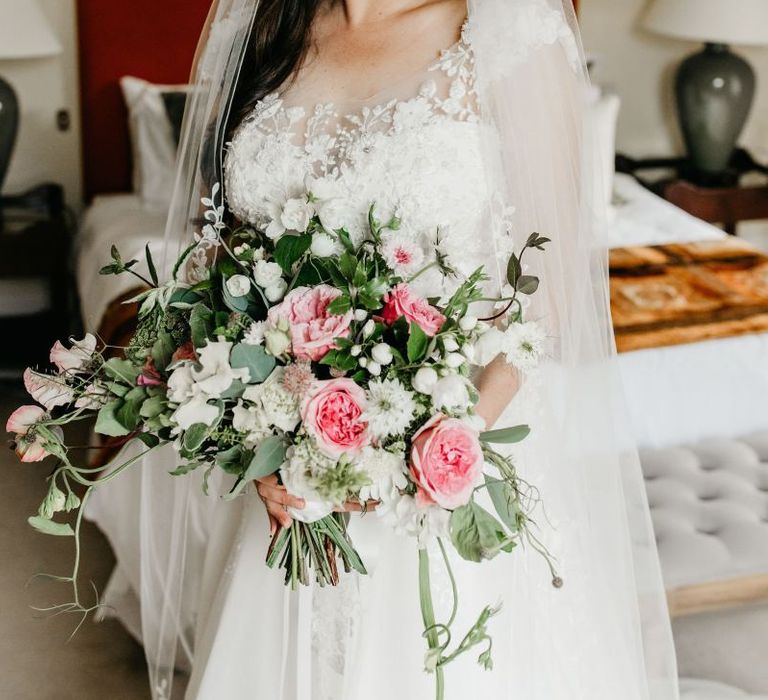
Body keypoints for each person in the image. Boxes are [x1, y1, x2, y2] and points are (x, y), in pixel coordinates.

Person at [131, 1, 681, 698]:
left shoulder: (508, 30)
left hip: (446, 457)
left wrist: (434, 450)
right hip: (287, 480)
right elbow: (231, 257)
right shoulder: (270, 24)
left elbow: (551, 291)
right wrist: (255, 435)